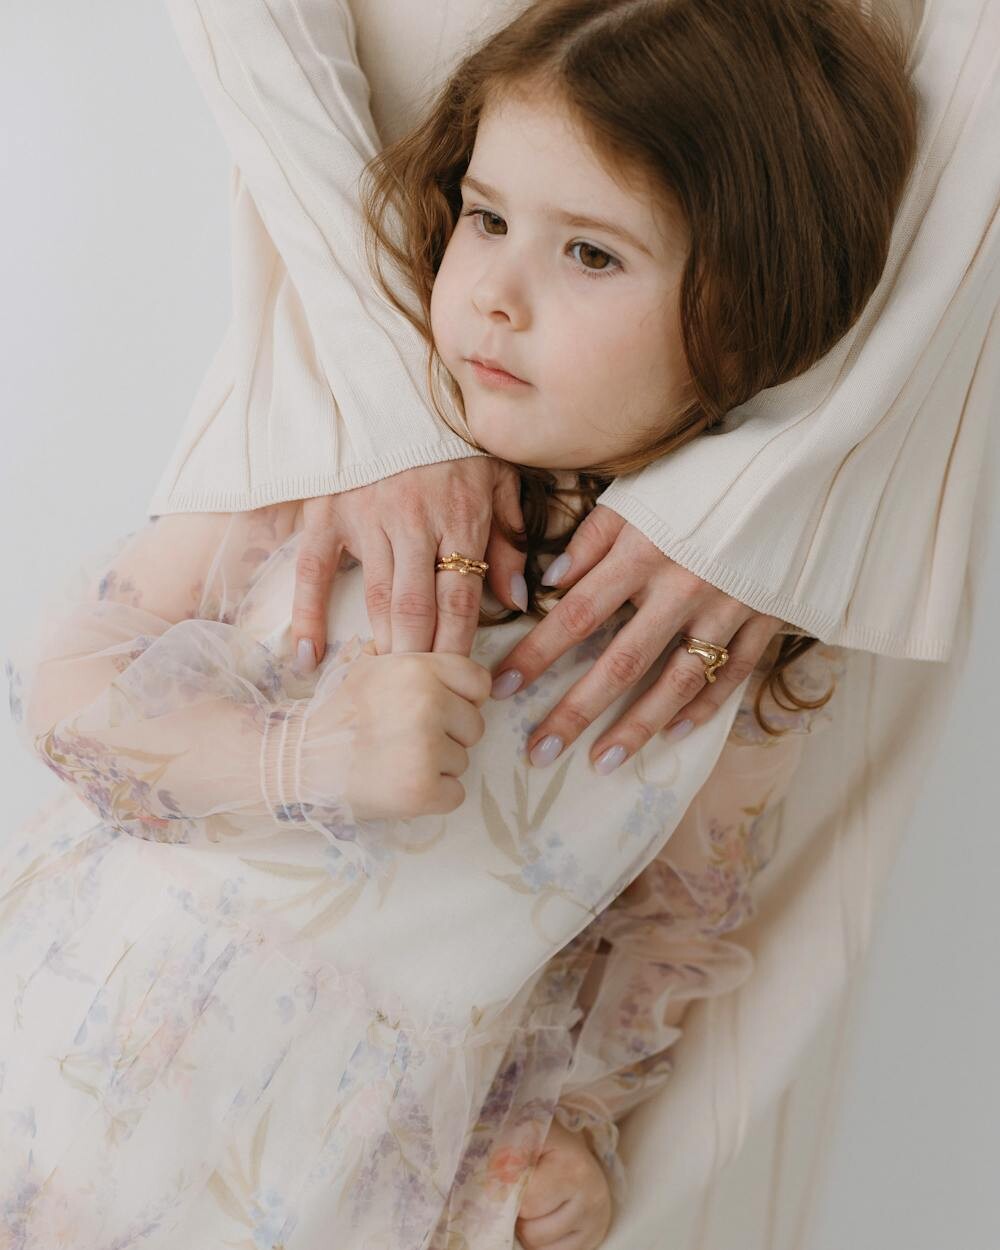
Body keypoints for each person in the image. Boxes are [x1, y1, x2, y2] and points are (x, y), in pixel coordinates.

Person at [2, 3, 996, 1250]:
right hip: (57, 1084)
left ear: (749, 306)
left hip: (340, 1174)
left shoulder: (714, 650)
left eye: (590, 254)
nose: (495, 297)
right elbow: (67, 693)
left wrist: (578, 1121)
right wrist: (303, 758)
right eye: (484, 218)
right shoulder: (325, 481)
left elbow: (671, 927)